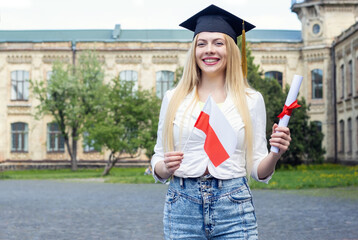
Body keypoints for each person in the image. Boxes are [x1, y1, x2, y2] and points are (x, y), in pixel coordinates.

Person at [151, 4, 291, 240]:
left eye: (218, 43)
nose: (209, 50)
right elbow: (157, 157)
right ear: (194, 50)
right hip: (182, 206)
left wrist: (275, 153)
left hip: (234, 205)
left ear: (232, 49)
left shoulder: (251, 100)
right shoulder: (173, 98)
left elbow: (257, 169)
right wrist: (164, 167)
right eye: (202, 43)